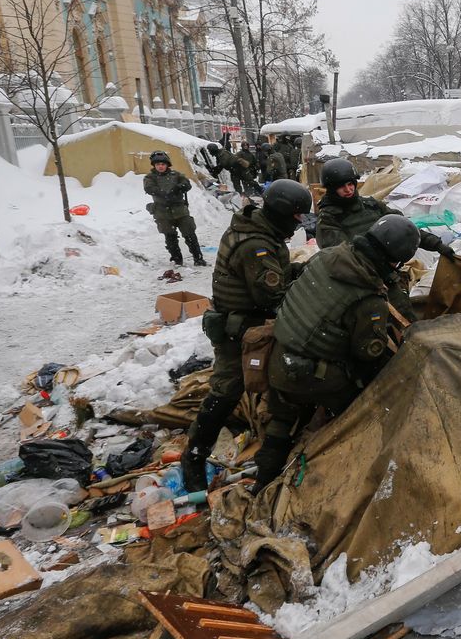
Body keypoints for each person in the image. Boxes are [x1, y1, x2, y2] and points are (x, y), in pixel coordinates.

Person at [253, 214, 421, 488]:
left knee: (282, 421)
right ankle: (344, 468)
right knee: (364, 407)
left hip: (279, 357)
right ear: (394, 260)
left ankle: (263, 481)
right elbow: (369, 357)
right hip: (309, 377)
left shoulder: (328, 257)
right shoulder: (368, 298)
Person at [183, 179, 313, 491]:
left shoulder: (259, 229)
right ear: (282, 213)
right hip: (239, 331)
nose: (297, 225)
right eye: (296, 218)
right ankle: (194, 457)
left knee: (272, 383)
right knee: (227, 391)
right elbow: (271, 296)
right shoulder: (255, 245)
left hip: (250, 325)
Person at [315, 158, 453, 317]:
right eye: (342, 187)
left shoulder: (371, 205)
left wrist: (437, 245)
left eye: (350, 184)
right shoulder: (328, 220)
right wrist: (382, 269)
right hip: (361, 277)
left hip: (387, 270)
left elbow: (404, 229)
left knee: (405, 312)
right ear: (332, 189)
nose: (348, 189)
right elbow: (343, 256)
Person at [144, 151, 206, 266]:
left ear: (167, 164)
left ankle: (198, 258)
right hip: (163, 212)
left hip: (180, 210)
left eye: (163, 164)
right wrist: (164, 193)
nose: (160, 166)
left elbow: (187, 184)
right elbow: (149, 188)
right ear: (154, 166)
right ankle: (177, 259)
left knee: (190, 235)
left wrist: (179, 187)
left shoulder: (176, 175)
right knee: (170, 237)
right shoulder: (150, 177)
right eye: (157, 164)